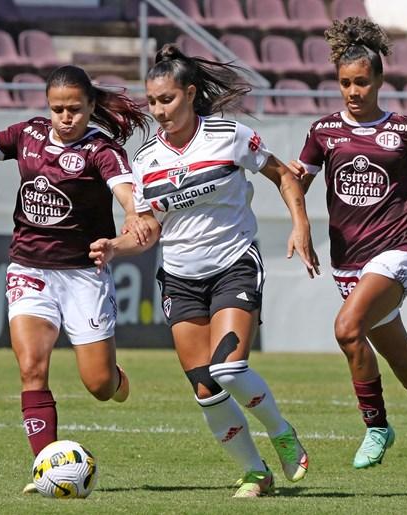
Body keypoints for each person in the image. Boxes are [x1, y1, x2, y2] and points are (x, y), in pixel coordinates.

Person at [89, 44, 320, 498]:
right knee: (205, 389)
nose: (159, 111)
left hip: (234, 263)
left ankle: (282, 433)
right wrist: (115, 246)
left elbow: (283, 175)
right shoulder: (145, 162)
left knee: (229, 370)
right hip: (179, 277)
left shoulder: (230, 135)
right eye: (153, 102)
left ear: (191, 94)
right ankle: (256, 473)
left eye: (168, 100)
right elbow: (149, 225)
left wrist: (301, 226)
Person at [0, 65, 150, 493]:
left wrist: (131, 213)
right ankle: (45, 467)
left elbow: (125, 189)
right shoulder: (29, 135)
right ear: (47, 108)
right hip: (29, 269)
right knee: (32, 367)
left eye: (75, 108)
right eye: (58, 109)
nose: (66, 117)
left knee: (99, 386)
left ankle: (114, 376)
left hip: (83, 277)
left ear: (91, 106)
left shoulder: (102, 150)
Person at [288, 16, 407, 470]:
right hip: (347, 259)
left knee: (347, 328)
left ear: (379, 81)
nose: (353, 91)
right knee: (402, 360)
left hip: (398, 249)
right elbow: (296, 183)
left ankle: (376, 426)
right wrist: (299, 224)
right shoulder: (323, 132)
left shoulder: (404, 128)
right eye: (346, 83)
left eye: (362, 82)